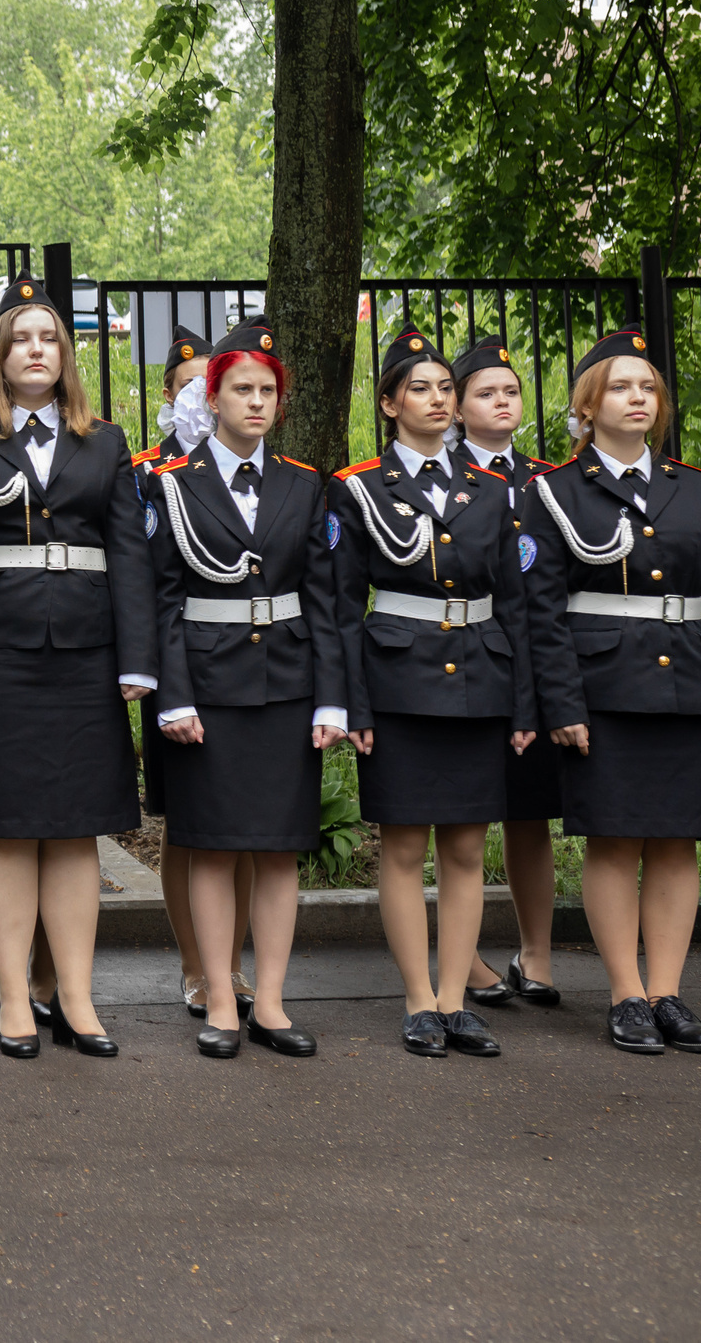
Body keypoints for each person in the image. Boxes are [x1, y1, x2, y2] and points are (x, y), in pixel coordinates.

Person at [0, 274, 154, 1059]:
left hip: (85, 658)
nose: (36, 350)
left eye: (49, 338)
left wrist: (138, 662)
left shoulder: (106, 441)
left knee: (76, 831)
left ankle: (79, 997)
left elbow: (128, 553)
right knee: (6, 830)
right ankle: (15, 995)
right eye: (21, 337)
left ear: (65, 356)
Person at [524, 327, 701, 1056]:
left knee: (676, 841)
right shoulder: (557, 492)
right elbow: (543, 609)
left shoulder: (695, 488)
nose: (639, 398)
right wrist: (562, 704)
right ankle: (626, 993)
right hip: (604, 690)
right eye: (622, 386)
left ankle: (668, 992)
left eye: (648, 387)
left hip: (686, 682)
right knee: (616, 839)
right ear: (589, 405)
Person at [329, 328, 538, 1059]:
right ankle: (418, 998)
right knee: (402, 844)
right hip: (396, 683)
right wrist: (352, 703)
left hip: (481, 676)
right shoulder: (359, 486)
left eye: (446, 387)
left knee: (465, 847)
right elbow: (341, 605)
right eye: (420, 387)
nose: (439, 398)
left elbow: (515, 602)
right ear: (389, 403)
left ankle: (456, 1001)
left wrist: (526, 702)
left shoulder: (493, 487)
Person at [146, 315, 346, 1060]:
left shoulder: (304, 482)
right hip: (208, 681)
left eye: (268, 390)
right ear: (213, 397)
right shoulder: (172, 484)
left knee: (278, 848)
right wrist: (175, 692)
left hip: (288, 682)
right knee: (211, 845)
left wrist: (331, 697)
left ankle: (272, 1001)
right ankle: (221, 997)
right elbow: (163, 597)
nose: (256, 402)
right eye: (242, 389)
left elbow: (324, 597)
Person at [128, 328, 256, 1024]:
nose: (201, 395)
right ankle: (195, 965)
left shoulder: (254, 463)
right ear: (171, 393)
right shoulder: (150, 470)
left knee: (240, 823)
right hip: (177, 663)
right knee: (189, 823)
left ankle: (232, 966)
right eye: (189, 383)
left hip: (249, 665)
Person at [449, 333, 565, 1009]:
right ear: (458, 408)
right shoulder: (443, 472)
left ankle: (537, 953)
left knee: (530, 811)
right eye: (486, 392)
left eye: (510, 390)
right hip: (465, 659)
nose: (502, 401)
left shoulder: (548, 479)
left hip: (536, 662)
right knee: (461, 816)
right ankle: (463, 961)